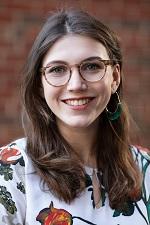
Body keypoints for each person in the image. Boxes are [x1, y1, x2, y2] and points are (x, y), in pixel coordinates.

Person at [0, 9, 149, 225]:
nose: (76, 85)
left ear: (115, 77)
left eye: (91, 66)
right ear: (40, 85)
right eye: (58, 69)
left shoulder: (146, 168)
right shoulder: (10, 173)